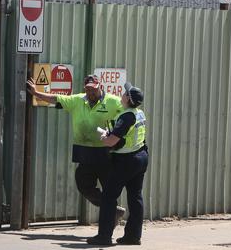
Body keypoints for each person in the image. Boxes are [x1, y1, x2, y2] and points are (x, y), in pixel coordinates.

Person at [27, 74, 125, 221]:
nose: (91, 92)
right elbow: (56, 98)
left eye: (94, 89)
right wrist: (36, 93)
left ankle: (108, 222)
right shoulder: (78, 100)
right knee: (83, 186)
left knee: (110, 189)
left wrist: (117, 133)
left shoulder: (113, 101)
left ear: (100, 87)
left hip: (106, 152)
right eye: (88, 89)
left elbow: (128, 114)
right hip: (84, 152)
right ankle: (112, 209)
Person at [87, 82, 149, 246]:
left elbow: (112, 141)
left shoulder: (126, 116)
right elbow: (127, 134)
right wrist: (113, 135)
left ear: (128, 99)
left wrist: (105, 138)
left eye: (124, 93)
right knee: (135, 196)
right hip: (140, 156)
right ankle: (133, 236)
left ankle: (104, 237)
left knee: (108, 197)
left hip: (126, 161)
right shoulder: (139, 113)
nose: (122, 94)